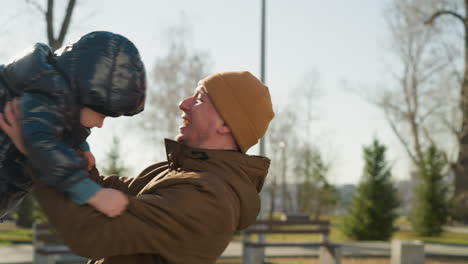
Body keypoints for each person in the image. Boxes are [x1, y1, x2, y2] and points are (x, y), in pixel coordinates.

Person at [2, 70, 274, 264]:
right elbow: (107, 196)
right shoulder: (178, 173)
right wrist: (76, 160)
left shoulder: (209, 199)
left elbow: (92, 232)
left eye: (199, 99)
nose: (184, 104)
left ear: (226, 125)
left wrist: (40, 154)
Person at [0, 31, 146, 219]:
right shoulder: (44, 96)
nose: (100, 125)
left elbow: (60, 128)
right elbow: (41, 144)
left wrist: (81, 147)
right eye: (102, 115)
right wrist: (92, 194)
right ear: (81, 96)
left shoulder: (53, 95)